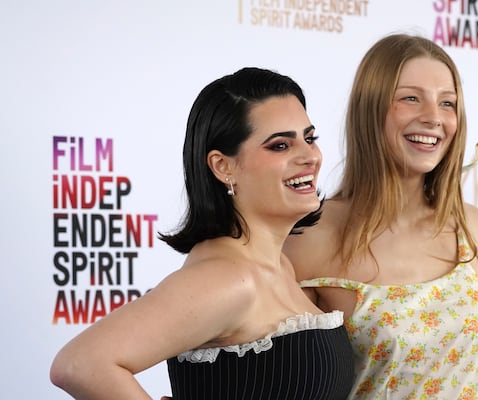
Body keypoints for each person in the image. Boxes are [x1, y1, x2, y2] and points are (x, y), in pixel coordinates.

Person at [50, 67, 355, 400]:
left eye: (309, 138)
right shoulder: (227, 279)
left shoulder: (279, 267)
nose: (309, 156)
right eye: (280, 145)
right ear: (223, 167)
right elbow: (80, 363)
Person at [283, 34, 478, 399]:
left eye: (448, 103)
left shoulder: (472, 227)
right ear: (370, 109)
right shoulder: (309, 236)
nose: (434, 118)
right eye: (410, 98)